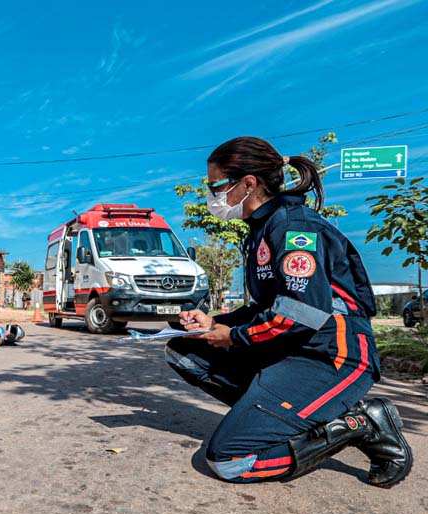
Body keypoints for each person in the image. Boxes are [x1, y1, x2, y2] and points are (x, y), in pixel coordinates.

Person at [166, 136, 412, 487]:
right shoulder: (260, 231)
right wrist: (215, 322)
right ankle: (279, 412)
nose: (211, 196)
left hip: (332, 355)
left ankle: (358, 423)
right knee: (187, 351)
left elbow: (304, 312)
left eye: (215, 186)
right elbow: (265, 308)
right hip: (293, 348)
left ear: (248, 183)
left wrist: (233, 336)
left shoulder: (293, 226)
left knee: (230, 460)